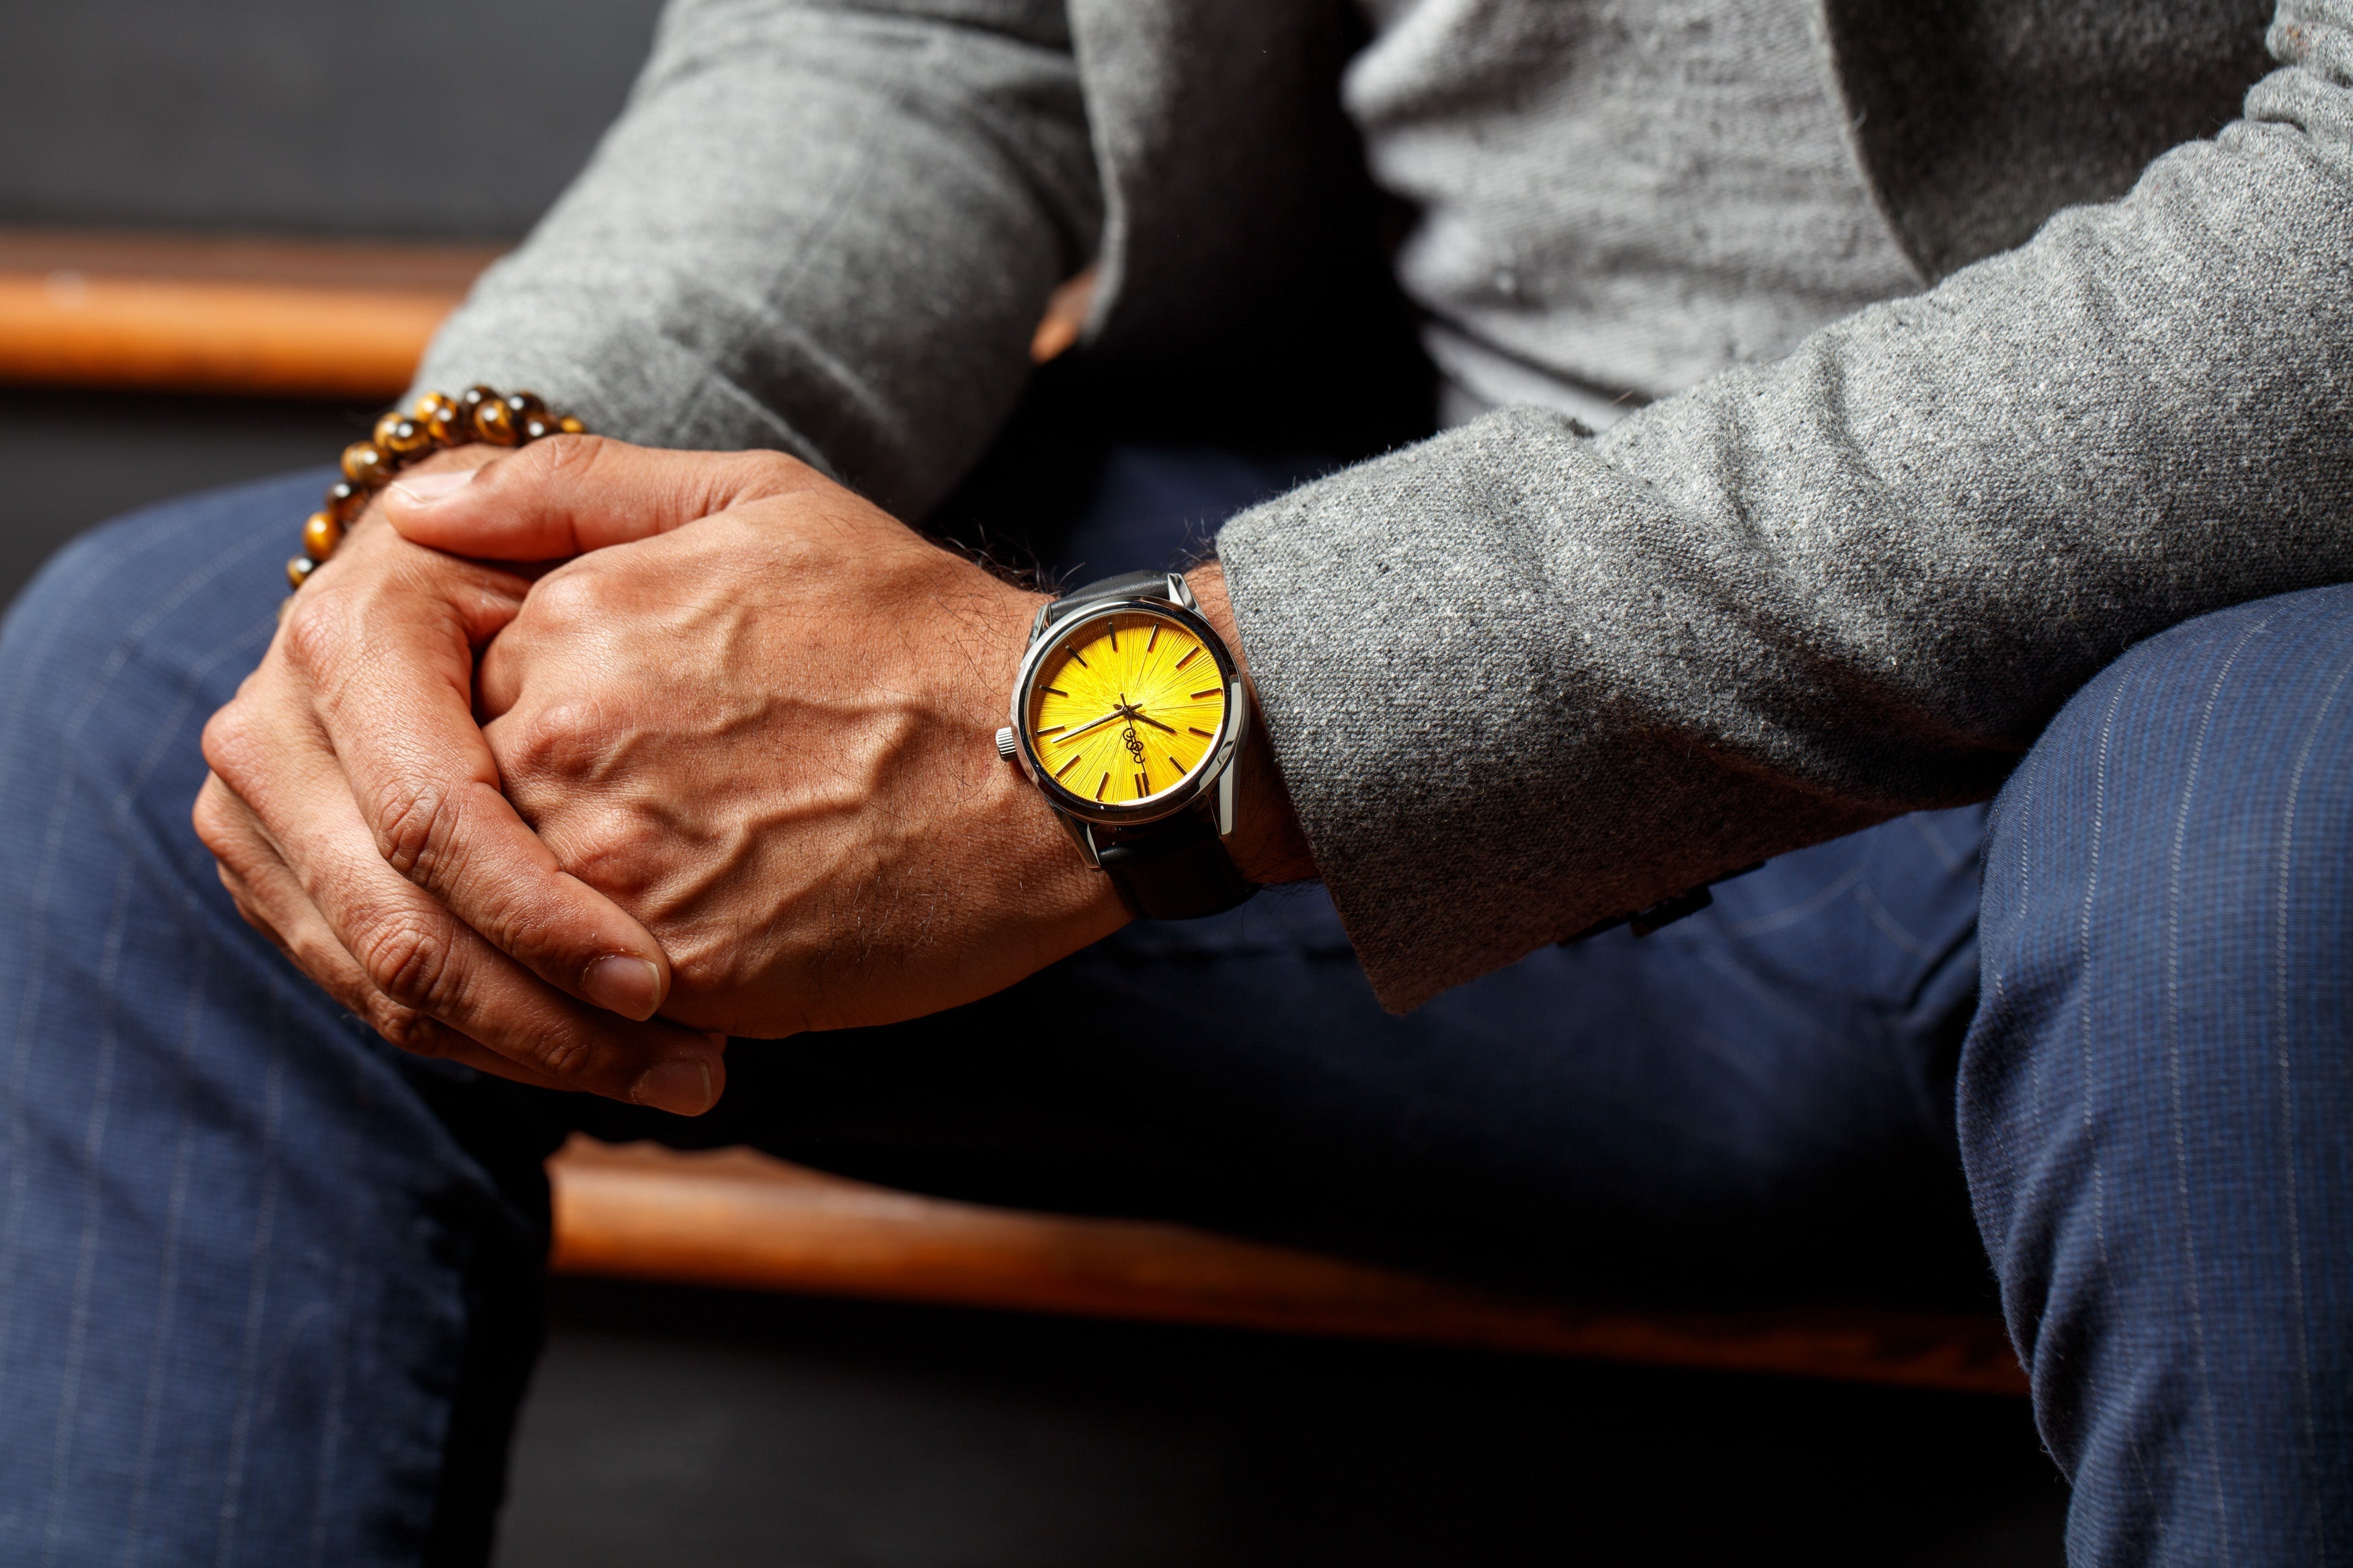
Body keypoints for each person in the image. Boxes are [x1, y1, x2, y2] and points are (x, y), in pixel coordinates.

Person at [2, 0, 2347, 1561]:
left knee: (2265, 874)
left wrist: (1217, 711)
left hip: (2167, 700)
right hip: (1383, 563)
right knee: (172, 698)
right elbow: (927, 38)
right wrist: (477, 512)